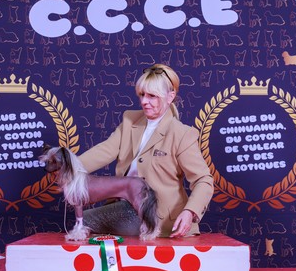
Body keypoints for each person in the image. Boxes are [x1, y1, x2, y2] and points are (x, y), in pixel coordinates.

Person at [78, 63, 214, 237]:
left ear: (170, 96)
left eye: (152, 96)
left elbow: (203, 180)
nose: (144, 101)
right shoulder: (130, 121)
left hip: (158, 217)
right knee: (81, 220)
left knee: (83, 221)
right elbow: (104, 151)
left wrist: (190, 211)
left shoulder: (182, 134)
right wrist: (70, 168)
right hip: (126, 205)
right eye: (142, 94)